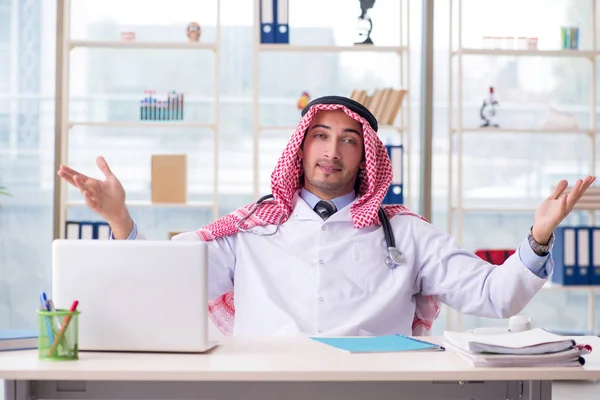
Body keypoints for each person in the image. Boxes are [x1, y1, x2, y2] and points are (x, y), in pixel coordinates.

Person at [57, 96, 595, 337]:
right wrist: (121, 220)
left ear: (368, 159)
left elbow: (496, 296)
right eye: (319, 136)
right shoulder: (249, 227)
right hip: (262, 388)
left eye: (347, 141)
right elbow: (165, 281)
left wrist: (539, 237)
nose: (331, 151)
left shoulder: (405, 231)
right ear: (301, 145)